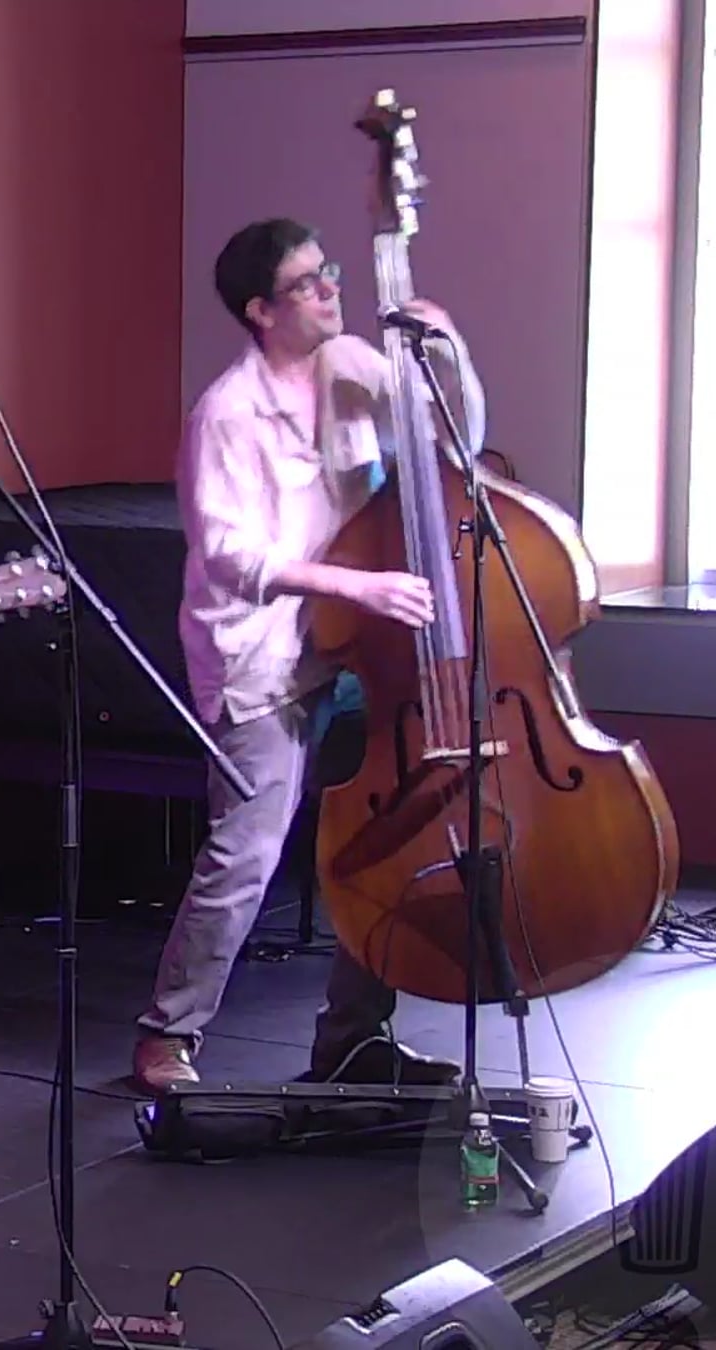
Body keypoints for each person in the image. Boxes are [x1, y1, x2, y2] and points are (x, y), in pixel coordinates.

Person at [132, 217, 484, 1094]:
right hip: (265, 657)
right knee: (247, 852)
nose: (330, 290)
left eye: (329, 273)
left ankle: (354, 1037)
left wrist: (448, 354)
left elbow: (456, 443)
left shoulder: (356, 364)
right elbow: (230, 557)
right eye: (306, 283)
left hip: (360, 645)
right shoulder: (226, 413)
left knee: (390, 837)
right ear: (261, 311)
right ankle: (167, 1036)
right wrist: (356, 585)